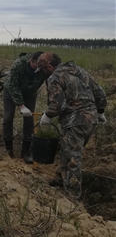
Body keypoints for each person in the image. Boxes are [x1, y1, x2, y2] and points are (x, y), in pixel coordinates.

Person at [37, 53, 107, 199]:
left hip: (75, 122)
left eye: (42, 69)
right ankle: (60, 178)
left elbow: (58, 105)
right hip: (91, 121)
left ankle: (72, 196)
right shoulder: (79, 71)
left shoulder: (55, 77)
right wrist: (100, 112)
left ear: (49, 66)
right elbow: (100, 92)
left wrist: (47, 115)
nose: (42, 73)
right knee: (67, 150)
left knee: (72, 159)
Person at [2, 51, 47, 163]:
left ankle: (25, 151)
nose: (39, 68)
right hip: (11, 91)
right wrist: (21, 105)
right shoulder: (19, 65)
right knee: (8, 117)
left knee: (29, 119)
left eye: (41, 66)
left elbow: (44, 82)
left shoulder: (44, 68)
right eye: (37, 65)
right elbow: (13, 85)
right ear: (31, 61)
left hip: (30, 94)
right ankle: (9, 148)